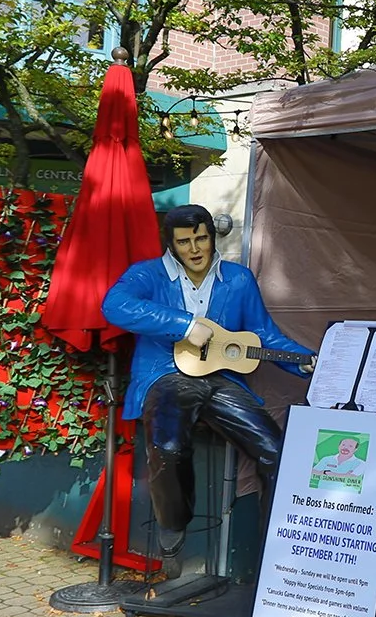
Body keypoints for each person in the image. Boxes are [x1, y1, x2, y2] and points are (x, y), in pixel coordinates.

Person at [102, 205, 315, 566]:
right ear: (171, 244)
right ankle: (173, 525)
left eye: (201, 238)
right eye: (184, 242)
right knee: (168, 446)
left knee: (277, 451)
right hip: (165, 373)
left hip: (221, 379)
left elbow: (262, 333)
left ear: (212, 237)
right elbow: (114, 305)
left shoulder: (238, 279)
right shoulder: (148, 274)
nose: (195, 248)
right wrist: (184, 325)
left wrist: (303, 360)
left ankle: (276, 546)